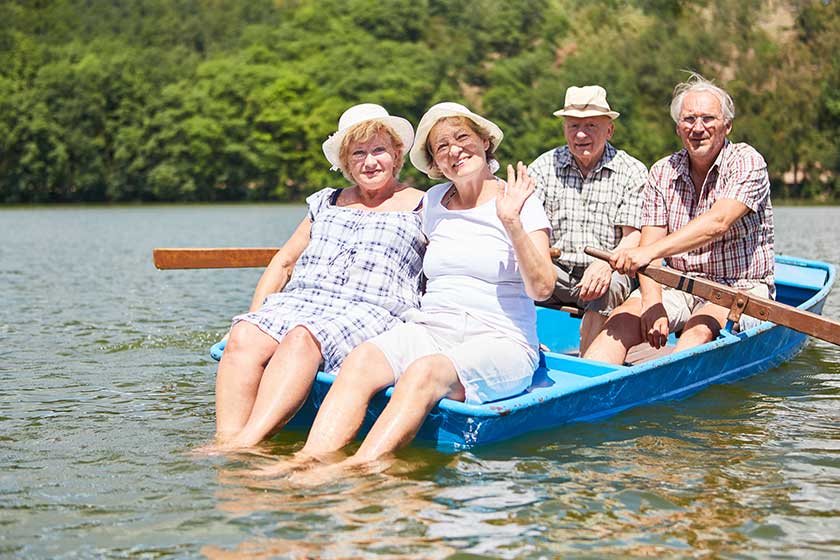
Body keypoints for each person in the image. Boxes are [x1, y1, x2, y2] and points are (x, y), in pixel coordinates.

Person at [299, 102, 555, 466]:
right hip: (432, 328)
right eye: (441, 147)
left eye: (462, 137)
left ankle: (359, 468)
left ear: (485, 142)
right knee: (362, 357)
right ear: (436, 163)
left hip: (500, 339)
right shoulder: (433, 201)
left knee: (425, 371)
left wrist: (511, 221)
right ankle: (309, 461)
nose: (454, 150)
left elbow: (542, 289)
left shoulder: (520, 201)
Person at [212, 103, 426, 449]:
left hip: (370, 308)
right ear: (346, 162)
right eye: (358, 153)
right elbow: (284, 263)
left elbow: (449, 264)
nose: (370, 162)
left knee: (303, 337)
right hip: (304, 299)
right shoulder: (326, 202)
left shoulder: (424, 205)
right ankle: (226, 440)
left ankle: (244, 445)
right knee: (244, 333)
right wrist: (256, 315)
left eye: (379, 150)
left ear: (396, 155)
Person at [584, 73, 775, 364]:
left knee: (697, 332)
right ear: (678, 129)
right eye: (689, 120)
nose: (698, 128)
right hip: (678, 283)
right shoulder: (662, 171)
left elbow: (718, 223)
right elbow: (651, 249)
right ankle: (591, 384)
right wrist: (652, 303)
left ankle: (669, 390)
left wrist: (648, 252)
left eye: (708, 119)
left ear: (727, 126)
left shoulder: (747, 161)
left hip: (737, 287)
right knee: (618, 324)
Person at [529, 85, 647, 354]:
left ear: (609, 130)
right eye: (573, 126)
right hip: (555, 270)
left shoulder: (632, 171)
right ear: (564, 129)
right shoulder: (544, 167)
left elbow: (632, 237)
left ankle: (587, 364)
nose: (581, 134)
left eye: (591, 125)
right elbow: (529, 230)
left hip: (608, 270)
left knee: (613, 284)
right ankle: (527, 350)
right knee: (513, 272)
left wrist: (607, 263)